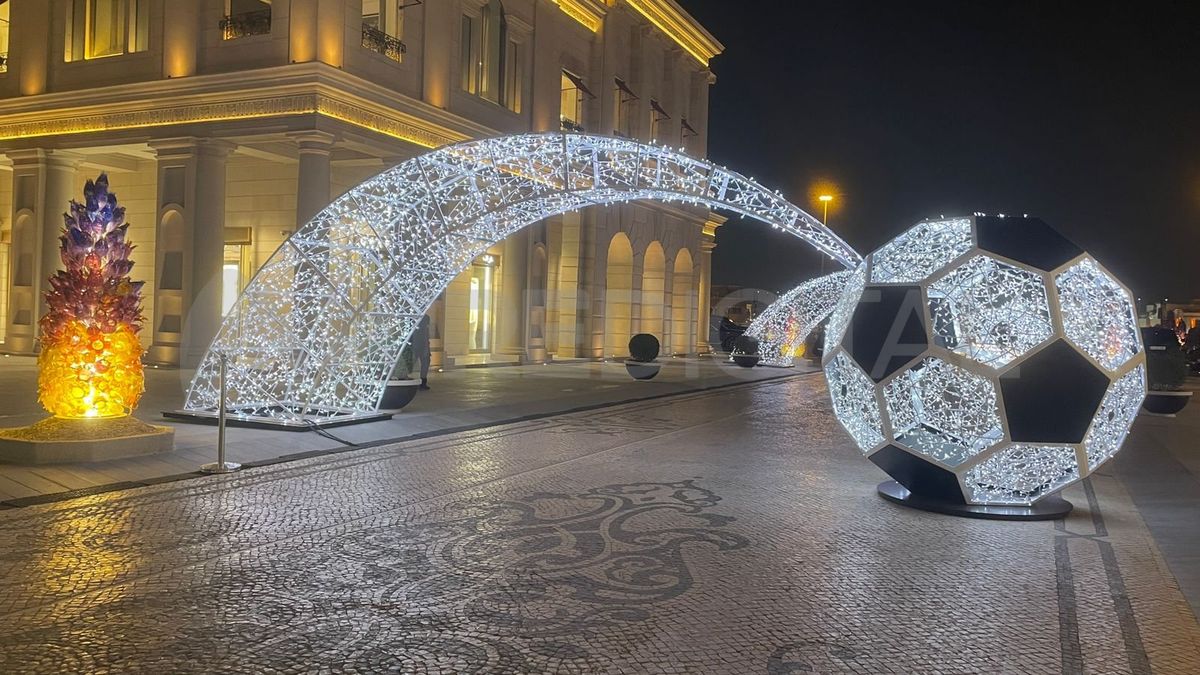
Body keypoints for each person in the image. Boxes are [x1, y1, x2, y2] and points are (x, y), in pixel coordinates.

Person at [412, 314, 432, 390]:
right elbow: (426, 335)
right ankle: (423, 382)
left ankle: (423, 381)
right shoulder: (424, 318)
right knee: (425, 363)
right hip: (419, 345)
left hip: (417, 344)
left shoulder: (421, 317)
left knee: (424, 362)